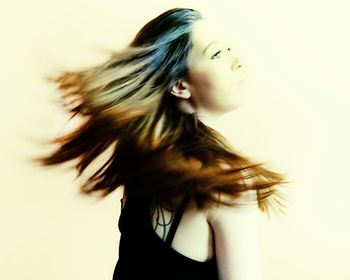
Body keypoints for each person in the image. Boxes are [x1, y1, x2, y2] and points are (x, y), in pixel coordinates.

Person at [33, 7, 290, 280]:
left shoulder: (141, 163)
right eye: (217, 53)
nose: (237, 60)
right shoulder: (227, 186)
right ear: (180, 86)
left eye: (229, 48)